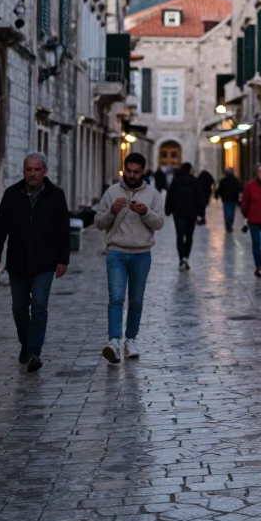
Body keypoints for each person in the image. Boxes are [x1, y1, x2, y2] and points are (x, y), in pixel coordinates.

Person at [0, 153, 70, 373]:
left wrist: (63, 260)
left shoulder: (56, 195)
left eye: (37, 170)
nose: (33, 174)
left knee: (40, 307)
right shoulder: (12, 194)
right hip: (17, 262)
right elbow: (0, 226)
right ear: (24, 171)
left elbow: (63, 230)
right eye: (29, 170)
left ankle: (34, 351)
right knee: (19, 308)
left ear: (45, 171)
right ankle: (26, 344)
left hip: (45, 262)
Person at [94, 152, 165, 363]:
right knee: (116, 298)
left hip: (142, 253)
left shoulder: (153, 194)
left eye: (136, 172)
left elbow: (159, 223)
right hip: (116, 251)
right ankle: (114, 341)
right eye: (129, 171)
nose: (132, 175)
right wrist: (112, 212)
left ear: (143, 171)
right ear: (124, 169)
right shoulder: (111, 192)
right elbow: (98, 222)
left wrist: (146, 213)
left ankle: (131, 340)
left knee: (135, 300)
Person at [165, 162, 205, 270]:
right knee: (189, 236)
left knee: (179, 236)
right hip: (192, 213)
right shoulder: (195, 181)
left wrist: (168, 210)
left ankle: (181, 259)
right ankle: (186, 257)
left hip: (178, 213)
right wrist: (201, 214)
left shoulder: (176, 181)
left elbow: (170, 196)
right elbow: (200, 198)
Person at [215, 167, 242, 232]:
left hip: (228, 199)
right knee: (230, 213)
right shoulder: (234, 180)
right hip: (230, 199)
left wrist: (217, 195)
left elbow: (219, 189)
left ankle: (229, 224)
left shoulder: (225, 180)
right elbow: (239, 189)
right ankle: (229, 225)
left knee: (229, 213)